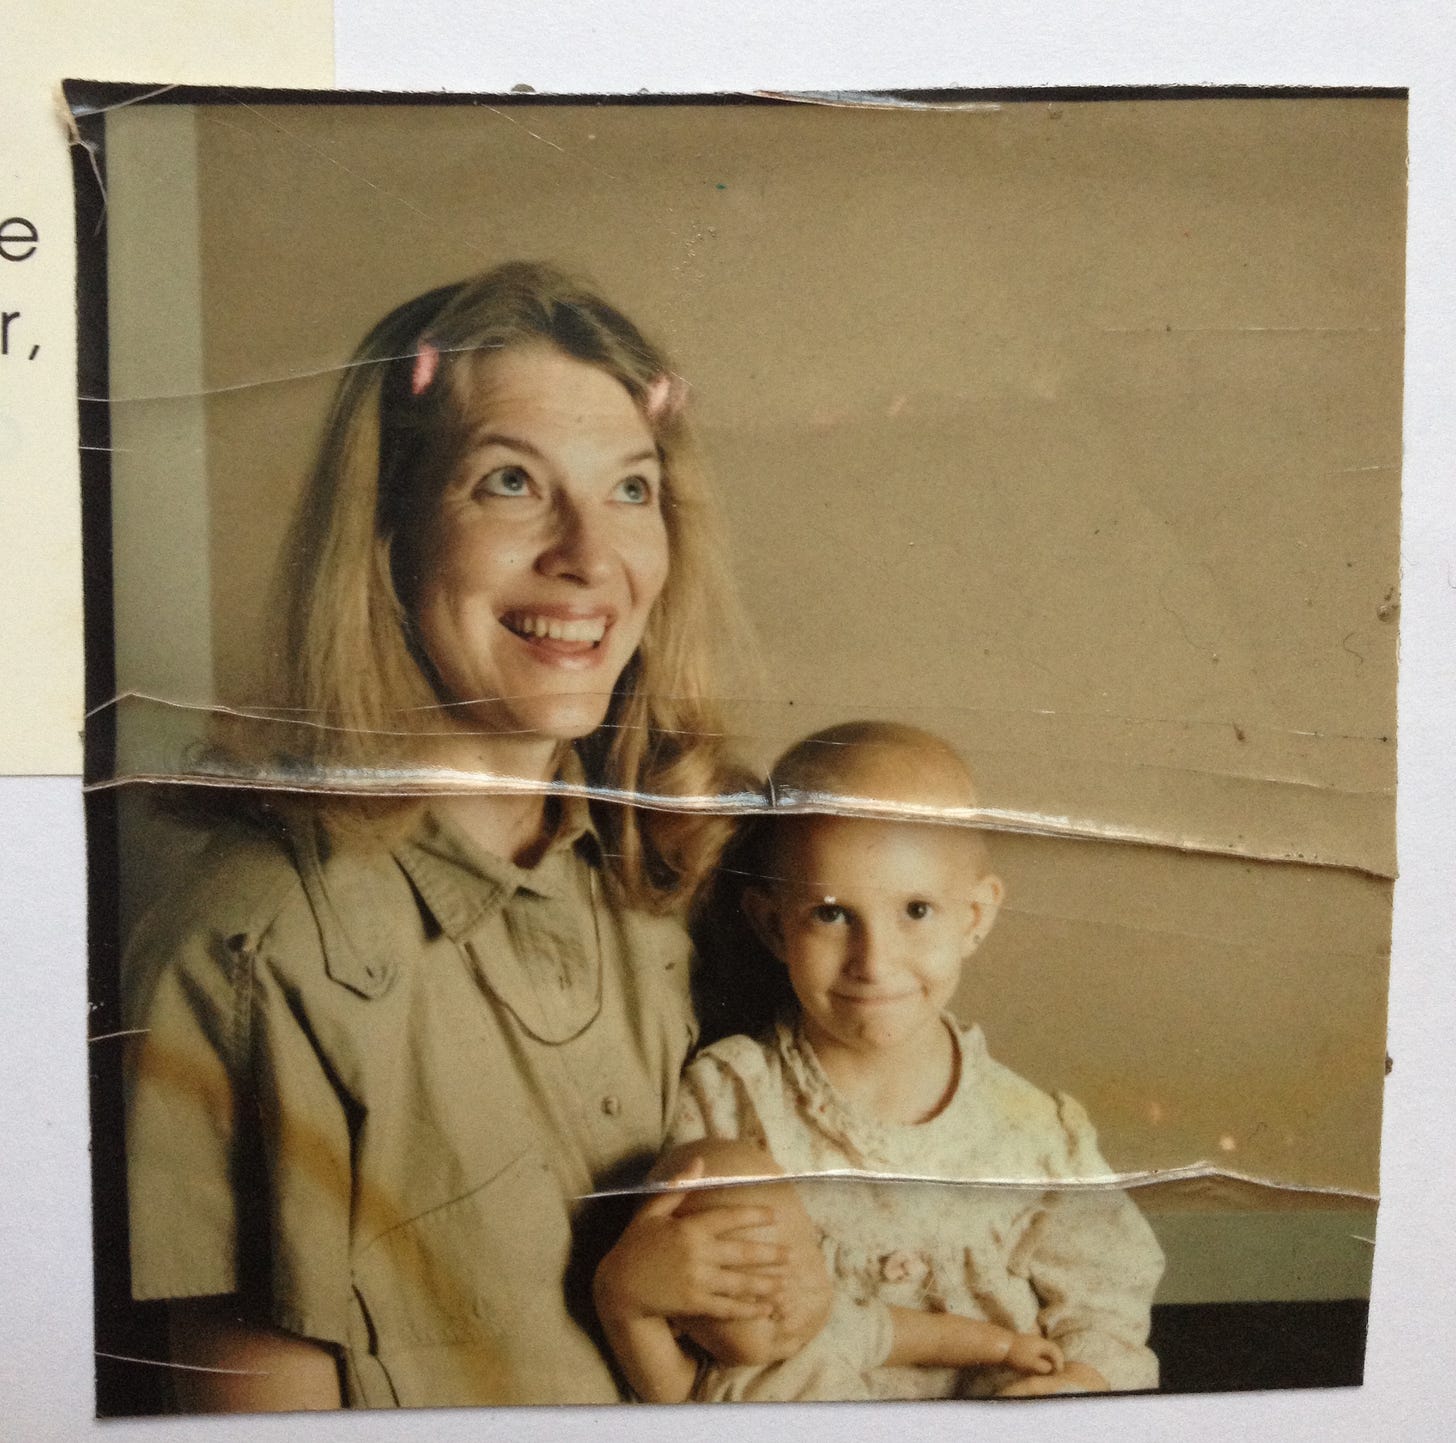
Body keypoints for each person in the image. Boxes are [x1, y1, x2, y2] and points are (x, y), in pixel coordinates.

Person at [121, 261, 799, 1411]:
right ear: (388, 528)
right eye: (509, 482)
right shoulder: (253, 948)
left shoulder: (679, 873)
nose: (590, 558)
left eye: (630, 491)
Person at [596, 721, 1164, 1402]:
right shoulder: (731, 1100)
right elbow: (695, 1318)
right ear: (774, 923)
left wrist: (1077, 1377)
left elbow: (1108, 1299)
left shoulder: (1032, 1133)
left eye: (916, 909)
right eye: (832, 914)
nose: (874, 961)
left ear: (975, 916)